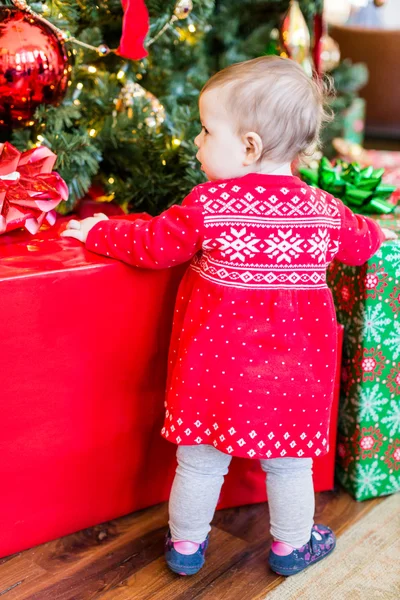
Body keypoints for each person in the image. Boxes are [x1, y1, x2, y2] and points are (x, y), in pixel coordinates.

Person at [62, 56, 388, 577]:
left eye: (207, 130)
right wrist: (378, 232)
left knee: (198, 463)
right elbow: (363, 243)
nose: (197, 141)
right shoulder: (324, 210)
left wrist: (97, 230)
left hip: (211, 370)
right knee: (290, 465)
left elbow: (153, 245)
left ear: (250, 146)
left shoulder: (209, 204)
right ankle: (292, 547)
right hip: (294, 379)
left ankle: (187, 546)